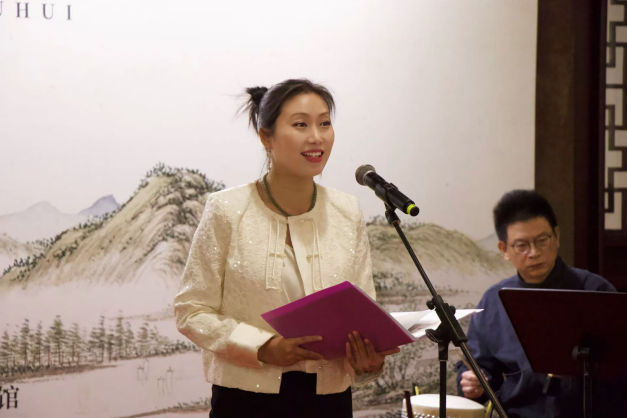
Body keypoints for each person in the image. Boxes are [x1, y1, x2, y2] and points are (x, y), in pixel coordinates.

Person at [174, 79, 399, 418]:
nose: (316, 137)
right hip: (245, 401)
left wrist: (368, 360)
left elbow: (363, 313)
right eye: (300, 125)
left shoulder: (347, 211)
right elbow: (191, 310)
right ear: (266, 137)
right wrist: (262, 347)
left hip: (330, 403)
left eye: (325, 123)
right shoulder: (227, 209)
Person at [455, 190, 625, 417]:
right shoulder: (494, 300)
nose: (534, 253)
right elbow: (478, 368)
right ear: (504, 250)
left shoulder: (595, 291)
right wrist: (472, 383)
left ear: (557, 237)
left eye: (542, 241)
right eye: (521, 245)